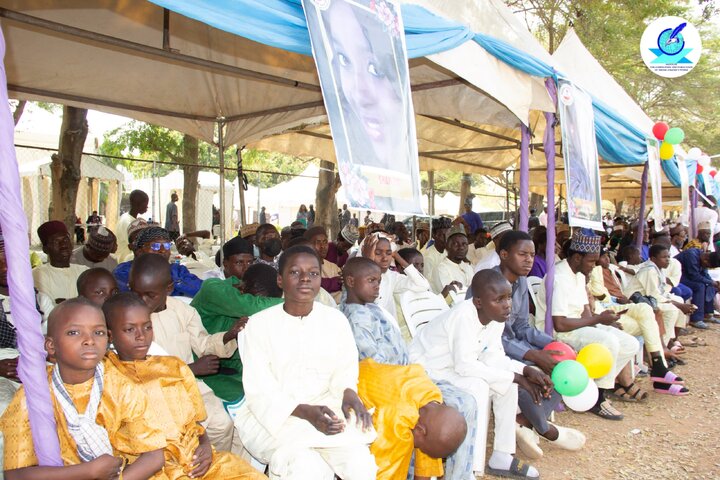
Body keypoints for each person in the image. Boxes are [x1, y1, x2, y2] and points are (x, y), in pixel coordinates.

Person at [229, 245, 377, 478]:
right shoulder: (258, 325)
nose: (305, 279)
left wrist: (349, 392)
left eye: (314, 273)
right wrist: (305, 412)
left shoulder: (335, 320)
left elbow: (345, 370)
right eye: (295, 272)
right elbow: (261, 390)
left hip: (327, 408)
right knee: (307, 468)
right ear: (280, 280)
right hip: (275, 418)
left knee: (361, 466)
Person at [103, 293, 268, 479]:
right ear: (109, 335)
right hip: (152, 469)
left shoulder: (174, 366)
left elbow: (194, 423)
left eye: (147, 327)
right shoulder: (108, 377)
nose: (141, 336)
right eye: (129, 329)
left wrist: (205, 445)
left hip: (195, 460)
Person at [340, 256, 477, 480]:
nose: (377, 286)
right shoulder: (354, 319)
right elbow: (374, 367)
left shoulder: (373, 308)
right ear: (351, 282)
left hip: (407, 378)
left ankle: (458, 474)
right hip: (389, 390)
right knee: (450, 409)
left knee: (460, 403)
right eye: (371, 280)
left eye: (379, 280)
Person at [0, 298, 166, 479]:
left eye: (98, 332)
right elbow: (14, 475)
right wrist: (88, 471)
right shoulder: (33, 395)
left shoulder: (121, 386)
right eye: (74, 332)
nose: (89, 340)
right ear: (51, 346)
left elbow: (153, 455)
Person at [410, 270, 542, 478]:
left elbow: (494, 357)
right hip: (427, 370)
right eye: (499, 299)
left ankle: (502, 455)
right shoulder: (463, 315)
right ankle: (469, 468)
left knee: (507, 385)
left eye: (508, 297)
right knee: (478, 386)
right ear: (479, 302)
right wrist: (515, 376)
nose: (507, 304)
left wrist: (525, 370)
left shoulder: (496, 318)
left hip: (454, 368)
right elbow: (465, 366)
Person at [129, 253, 244, 453]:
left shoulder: (182, 311)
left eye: (150, 295)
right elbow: (135, 369)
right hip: (149, 393)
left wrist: (228, 335)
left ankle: (215, 469)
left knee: (223, 424)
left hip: (188, 387)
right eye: (136, 293)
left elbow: (203, 344)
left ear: (168, 288)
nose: (141, 301)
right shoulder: (126, 317)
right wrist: (190, 369)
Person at [494, 231, 586, 458]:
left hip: (514, 345)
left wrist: (554, 344)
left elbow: (524, 326)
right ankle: (543, 428)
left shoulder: (521, 282)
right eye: (522, 254)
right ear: (504, 255)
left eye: (532, 255)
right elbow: (495, 338)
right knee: (537, 369)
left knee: (559, 362)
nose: (529, 260)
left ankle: (523, 422)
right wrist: (533, 355)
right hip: (493, 351)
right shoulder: (490, 284)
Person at [534, 230, 640, 420]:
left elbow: (585, 312)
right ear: (576, 258)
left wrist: (604, 322)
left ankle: (594, 386)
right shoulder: (559, 277)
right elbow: (560, 324)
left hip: (577, 326)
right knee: (610, 343)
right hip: (557, 333)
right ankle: (598, 398)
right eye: (591, 261)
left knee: (629, 343)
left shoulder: (579, 274)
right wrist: (598, 321)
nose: (595, 265)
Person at [592, 246, 689, 396]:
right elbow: (598, 294)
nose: (607, 259)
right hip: (602, 310)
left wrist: (616, 299)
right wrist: (614, 299)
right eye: (601, 257)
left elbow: (604, 294)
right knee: (650, 320)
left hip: (613, 304)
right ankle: (658, 373)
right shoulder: (590, 270)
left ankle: (658, 365)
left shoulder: (599, 269)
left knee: (646, 308)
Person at [358, 359, 467, 480]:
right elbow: (384, 474)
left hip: (374, 375)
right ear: (420, 430)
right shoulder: (397, 425)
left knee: (432, 432)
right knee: (421, 440)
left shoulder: (432, 395)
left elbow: (429, 441)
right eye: (423, 449)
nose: (421, 451)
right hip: (345, 390)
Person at [191, 261, 283, 402]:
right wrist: (300, 302)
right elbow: (252, 306)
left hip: (227, 361)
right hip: (196, 367)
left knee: (271, 387)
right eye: (262, 301)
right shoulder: (212, 288)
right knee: (244, 398)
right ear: (242, 289)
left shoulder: (246, 296)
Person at [114, 226, 203, 297]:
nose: (162, 250)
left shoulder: (177, 271)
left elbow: (202, 290)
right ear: (140, 251)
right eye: (155, 246)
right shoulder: (124, 272)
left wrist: (174, 280)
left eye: (167, 246)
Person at [361, 233, 430, 320]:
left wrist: (397, 256)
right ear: (365, 253)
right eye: (378, 253)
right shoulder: (356, 277)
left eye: (389, 253)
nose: (385, 258)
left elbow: (422, 285)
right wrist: (368, 261)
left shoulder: (391, 277)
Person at [32, 221, 88, 305]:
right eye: (56, 241)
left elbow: (93, 301)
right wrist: (80, 301)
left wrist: (63, 302)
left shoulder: (84, 271)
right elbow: (47, 307)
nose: (63, 245)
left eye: (66, 240)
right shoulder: (38, 273)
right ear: (45, 249)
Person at [675, 247, 720, 329]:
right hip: (678, 278)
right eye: (707, 265)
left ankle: (708, 314)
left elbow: (705, 275)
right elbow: (694, 276)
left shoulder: (703, 257)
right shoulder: (691, 255)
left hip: (687, 278)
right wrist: (711, 282)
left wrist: (715, 283)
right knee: (700, 286)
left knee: (709, 284)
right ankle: (696, 319)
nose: (706, 267)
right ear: (706, 259)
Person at [431, 225, 474, 295]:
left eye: (464, 244)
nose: (461, 248)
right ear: (447, 246)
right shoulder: (441, 268)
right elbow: (451, 296)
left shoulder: (468, 267)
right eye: (456, 244)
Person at [305, 226, 342, 299]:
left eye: (325, 242)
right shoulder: (302, 266)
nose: (323, 246)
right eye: (318, 242)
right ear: (308, 245)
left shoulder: (333, 267)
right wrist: (337, 282)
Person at [117, 189, 149, 261]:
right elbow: (138, 246)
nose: (147, 208)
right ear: (137, 205)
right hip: (125, 259)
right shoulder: (129, 223)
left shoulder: (126, 216)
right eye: (145, 205)